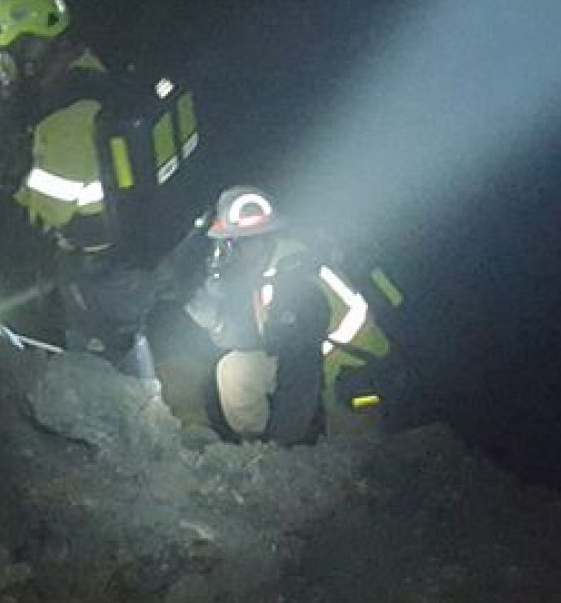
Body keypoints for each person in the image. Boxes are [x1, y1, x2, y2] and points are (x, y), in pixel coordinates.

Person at [0, 0, 200, 370]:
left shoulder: (66, 120)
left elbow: (52, 212)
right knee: (123, 339)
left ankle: (131, 420)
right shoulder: (84, 70)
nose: (2, 70)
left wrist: (16, 171)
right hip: (136, 252)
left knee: (104, 358)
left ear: (30, 52)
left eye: (5, 58)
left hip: (105, 269)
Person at [156, 186, 401, 445]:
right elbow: (267, 336)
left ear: (252, 243)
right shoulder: (273, 267)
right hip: (320, 363)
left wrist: (283, 447)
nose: (222, 255)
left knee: (350, 465)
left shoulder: (296, 285)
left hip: (353, 378)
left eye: (228, 244)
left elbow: (300, 372)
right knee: (235, 369)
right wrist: (218, 323)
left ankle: (285, 448)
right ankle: (253, 441)